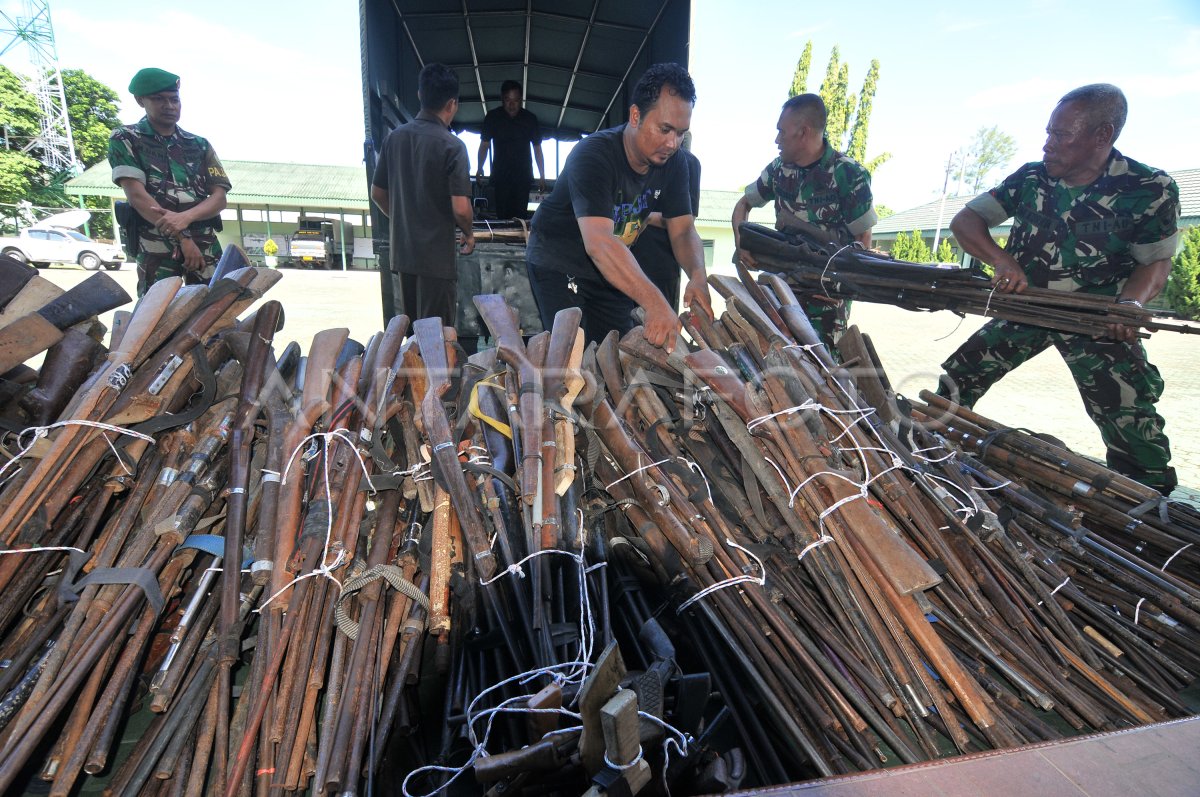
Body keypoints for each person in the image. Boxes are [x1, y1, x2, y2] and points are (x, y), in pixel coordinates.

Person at [939, 83, 1180, 495]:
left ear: (1102, 135)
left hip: (1097, 321)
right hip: (1026, 308)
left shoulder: (1149, 189)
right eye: (1049, 132)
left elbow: (1154, 263)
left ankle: (1151, 509)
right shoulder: (1032, 178)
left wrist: (1130, 304)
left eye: (1061, 134)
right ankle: (929, 455)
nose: (1048, 144)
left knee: (1132, 424)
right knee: (954, 387)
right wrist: (1001, 260)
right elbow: (966, 223)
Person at [525, 63, 712, 350]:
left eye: (681, 133)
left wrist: (698, 277)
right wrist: (654, 302)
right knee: (572, 354)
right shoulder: (593, 156)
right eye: (665, 129)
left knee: (616, 352)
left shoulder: (675, 163)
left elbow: (683, 230)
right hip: (559, 260)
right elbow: (599, 243)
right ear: (636, 115)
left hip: (610, 267)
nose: (673, 143)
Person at [731, 93, 877, 350]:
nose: (777, 140)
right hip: (780, 291)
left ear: (803, 132)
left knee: (821, 369)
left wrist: (837, 284)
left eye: (782, 132)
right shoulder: (778, 170)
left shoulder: (849, 175)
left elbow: (863, 241)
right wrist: (741, 243)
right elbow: (743, 205)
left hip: (826, 301)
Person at [108, 68, 231, 296]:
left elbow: (219, 198)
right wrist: (183, 238)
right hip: (156, 245)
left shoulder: (199, 144)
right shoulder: (125, 139)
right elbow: (138, 197)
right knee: (156, 316)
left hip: (204, 241)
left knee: (216, 309)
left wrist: (186, 218)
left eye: (174, 99)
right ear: (139, 100)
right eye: (158, 99)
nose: (169, 106)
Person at [371, 63, 475, 325]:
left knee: (411, 336)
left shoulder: (394, 139)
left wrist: (405, 219)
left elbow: (378, 193)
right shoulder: (452, 146)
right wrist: (469, 233)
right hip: (436, 261)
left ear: (420, 95)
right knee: (436, 339)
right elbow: (461, 208)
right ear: (452, 104)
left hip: (404, 256)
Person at [629, 132, 701, 310]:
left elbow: (686, 220)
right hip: (631, 258)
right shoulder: (641, 156)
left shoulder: (688, 162)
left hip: (662, 259)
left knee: (656, 318)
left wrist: (642, 216)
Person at [476, 80, 546, 220]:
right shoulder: (492, 117)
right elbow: (484, 145)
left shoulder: (530, 119)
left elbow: (537, 148)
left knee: (520, 217)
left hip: (523, 177)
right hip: (501, 176)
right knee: (502, 216)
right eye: (508, 100)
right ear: (502, 99)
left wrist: (542, 175)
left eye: (516, 100)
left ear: (521, 100)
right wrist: (479, 167)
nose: (512, 105)